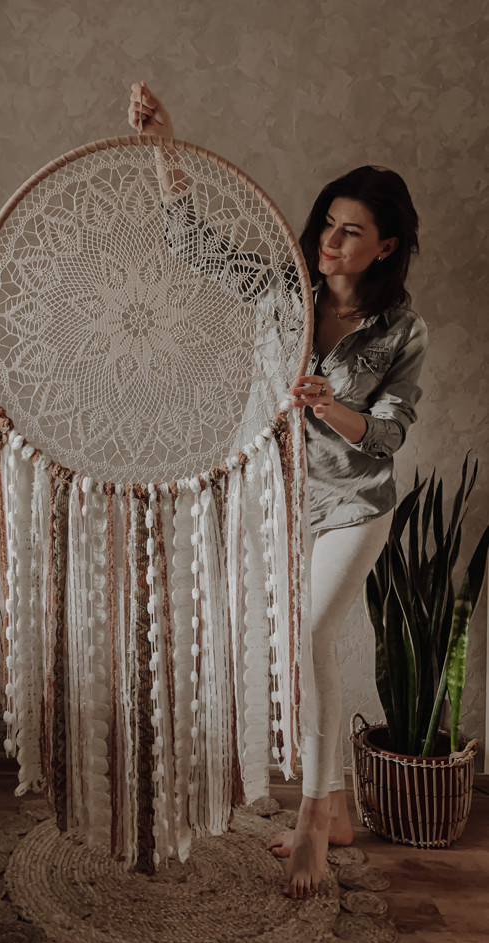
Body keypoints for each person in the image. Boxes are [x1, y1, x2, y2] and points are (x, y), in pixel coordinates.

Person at [127, 82, 428, 900]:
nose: (329, 240)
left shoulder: (402, 331)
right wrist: (164, 146)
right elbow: (192, 245)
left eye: (350, 231)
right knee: (291, 647)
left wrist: (333, 407)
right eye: (327, 222)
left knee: (307, 637)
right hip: (272, 494)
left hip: (353, 505)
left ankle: (313, 825)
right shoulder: (281, 285)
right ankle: (338, 808)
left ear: (385, 247)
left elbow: (389, 435)